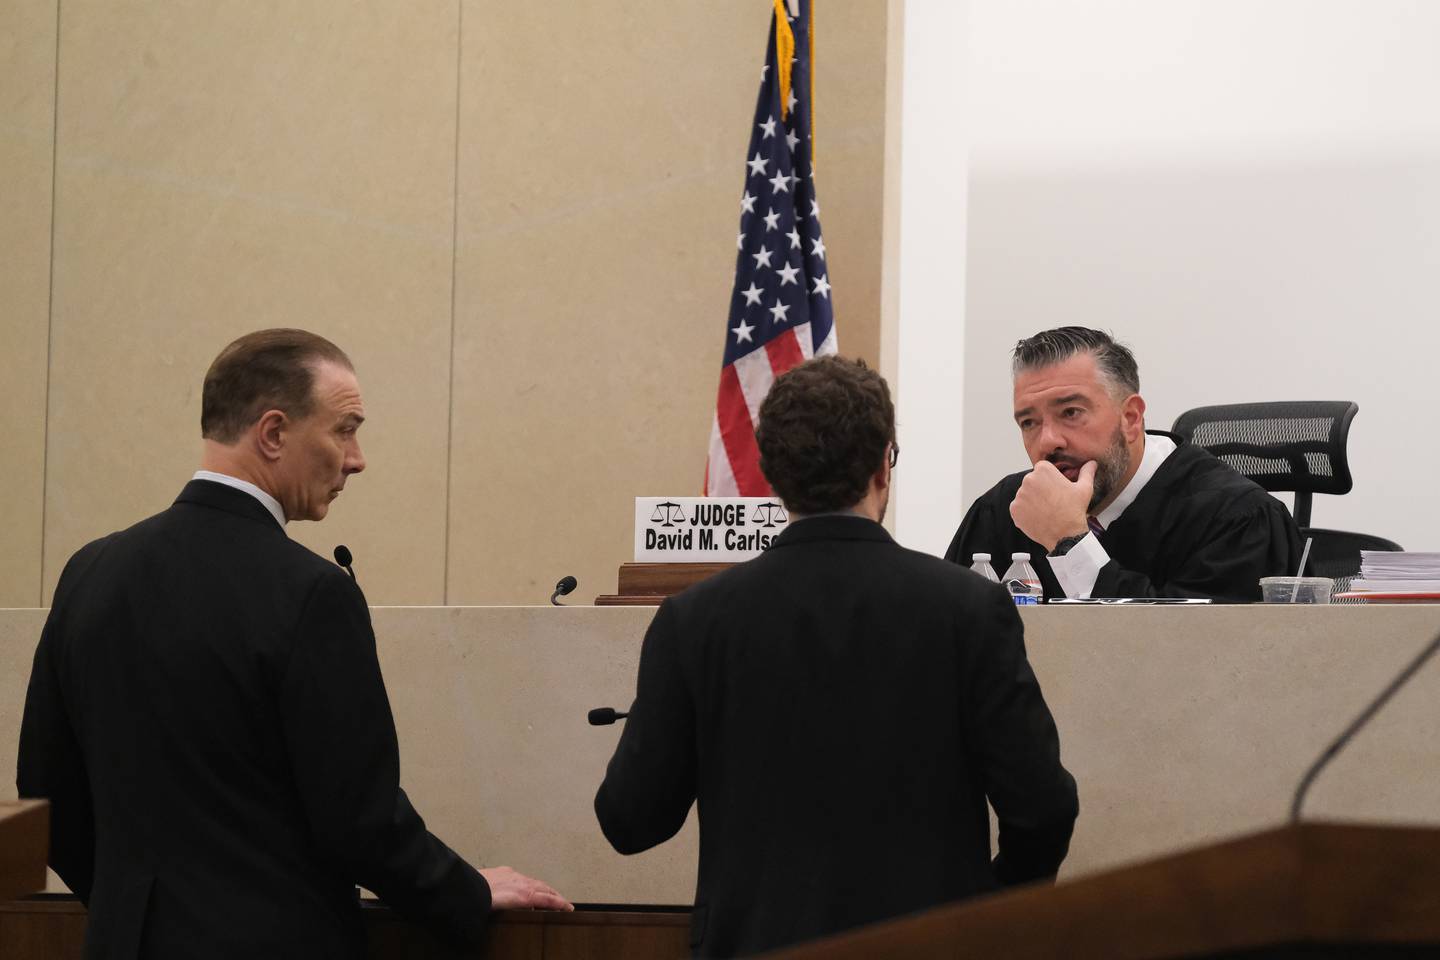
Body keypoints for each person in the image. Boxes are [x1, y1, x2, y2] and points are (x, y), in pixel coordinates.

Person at [17, 329, 569, 959]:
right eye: (345, 429)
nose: (356, 458)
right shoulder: (311, 593)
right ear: (274, 433)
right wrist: (465, 890)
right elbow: (358, 821)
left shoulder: (89, 571)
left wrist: (139, 911)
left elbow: (46, 796)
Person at [594, 355, 1078, 959]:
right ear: (884, 465)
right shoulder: (968, 609)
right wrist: (987, 909)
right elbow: (1043, 808)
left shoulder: (694, 622)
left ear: (771, 473)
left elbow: (630, 820)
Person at [945, 326, 1301, 601]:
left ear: (1131, 418)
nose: (1047, 441)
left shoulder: (1236, 520)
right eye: (1029, 422)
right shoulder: (1004, 510)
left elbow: (1192, 663)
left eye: (1071, 412)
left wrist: (1069, 544)